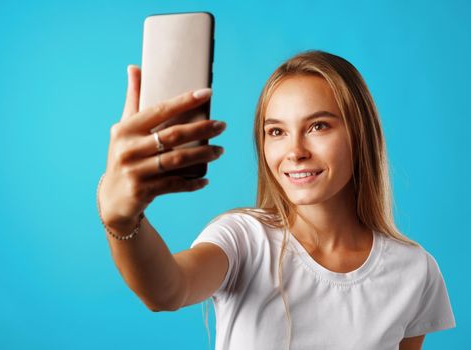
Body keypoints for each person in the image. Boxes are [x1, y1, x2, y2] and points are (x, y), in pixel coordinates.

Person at [96, 50, 456, 350]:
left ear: (360, 135)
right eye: (277, 132)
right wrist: (122, 221)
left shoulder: (414, 270)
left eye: (319, 126)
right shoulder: (243, 239)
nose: (295, 152)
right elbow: (168, 289)